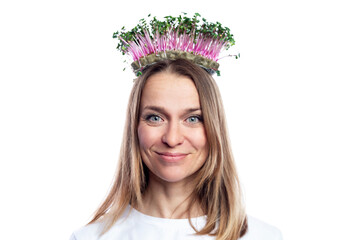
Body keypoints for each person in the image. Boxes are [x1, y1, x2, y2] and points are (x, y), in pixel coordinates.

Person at [70, 59, 283, 240]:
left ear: (214, 128)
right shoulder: (90, 237)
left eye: (192, 119)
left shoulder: (262, 236)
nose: (172, 139)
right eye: (155, 118)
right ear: (134, 127)